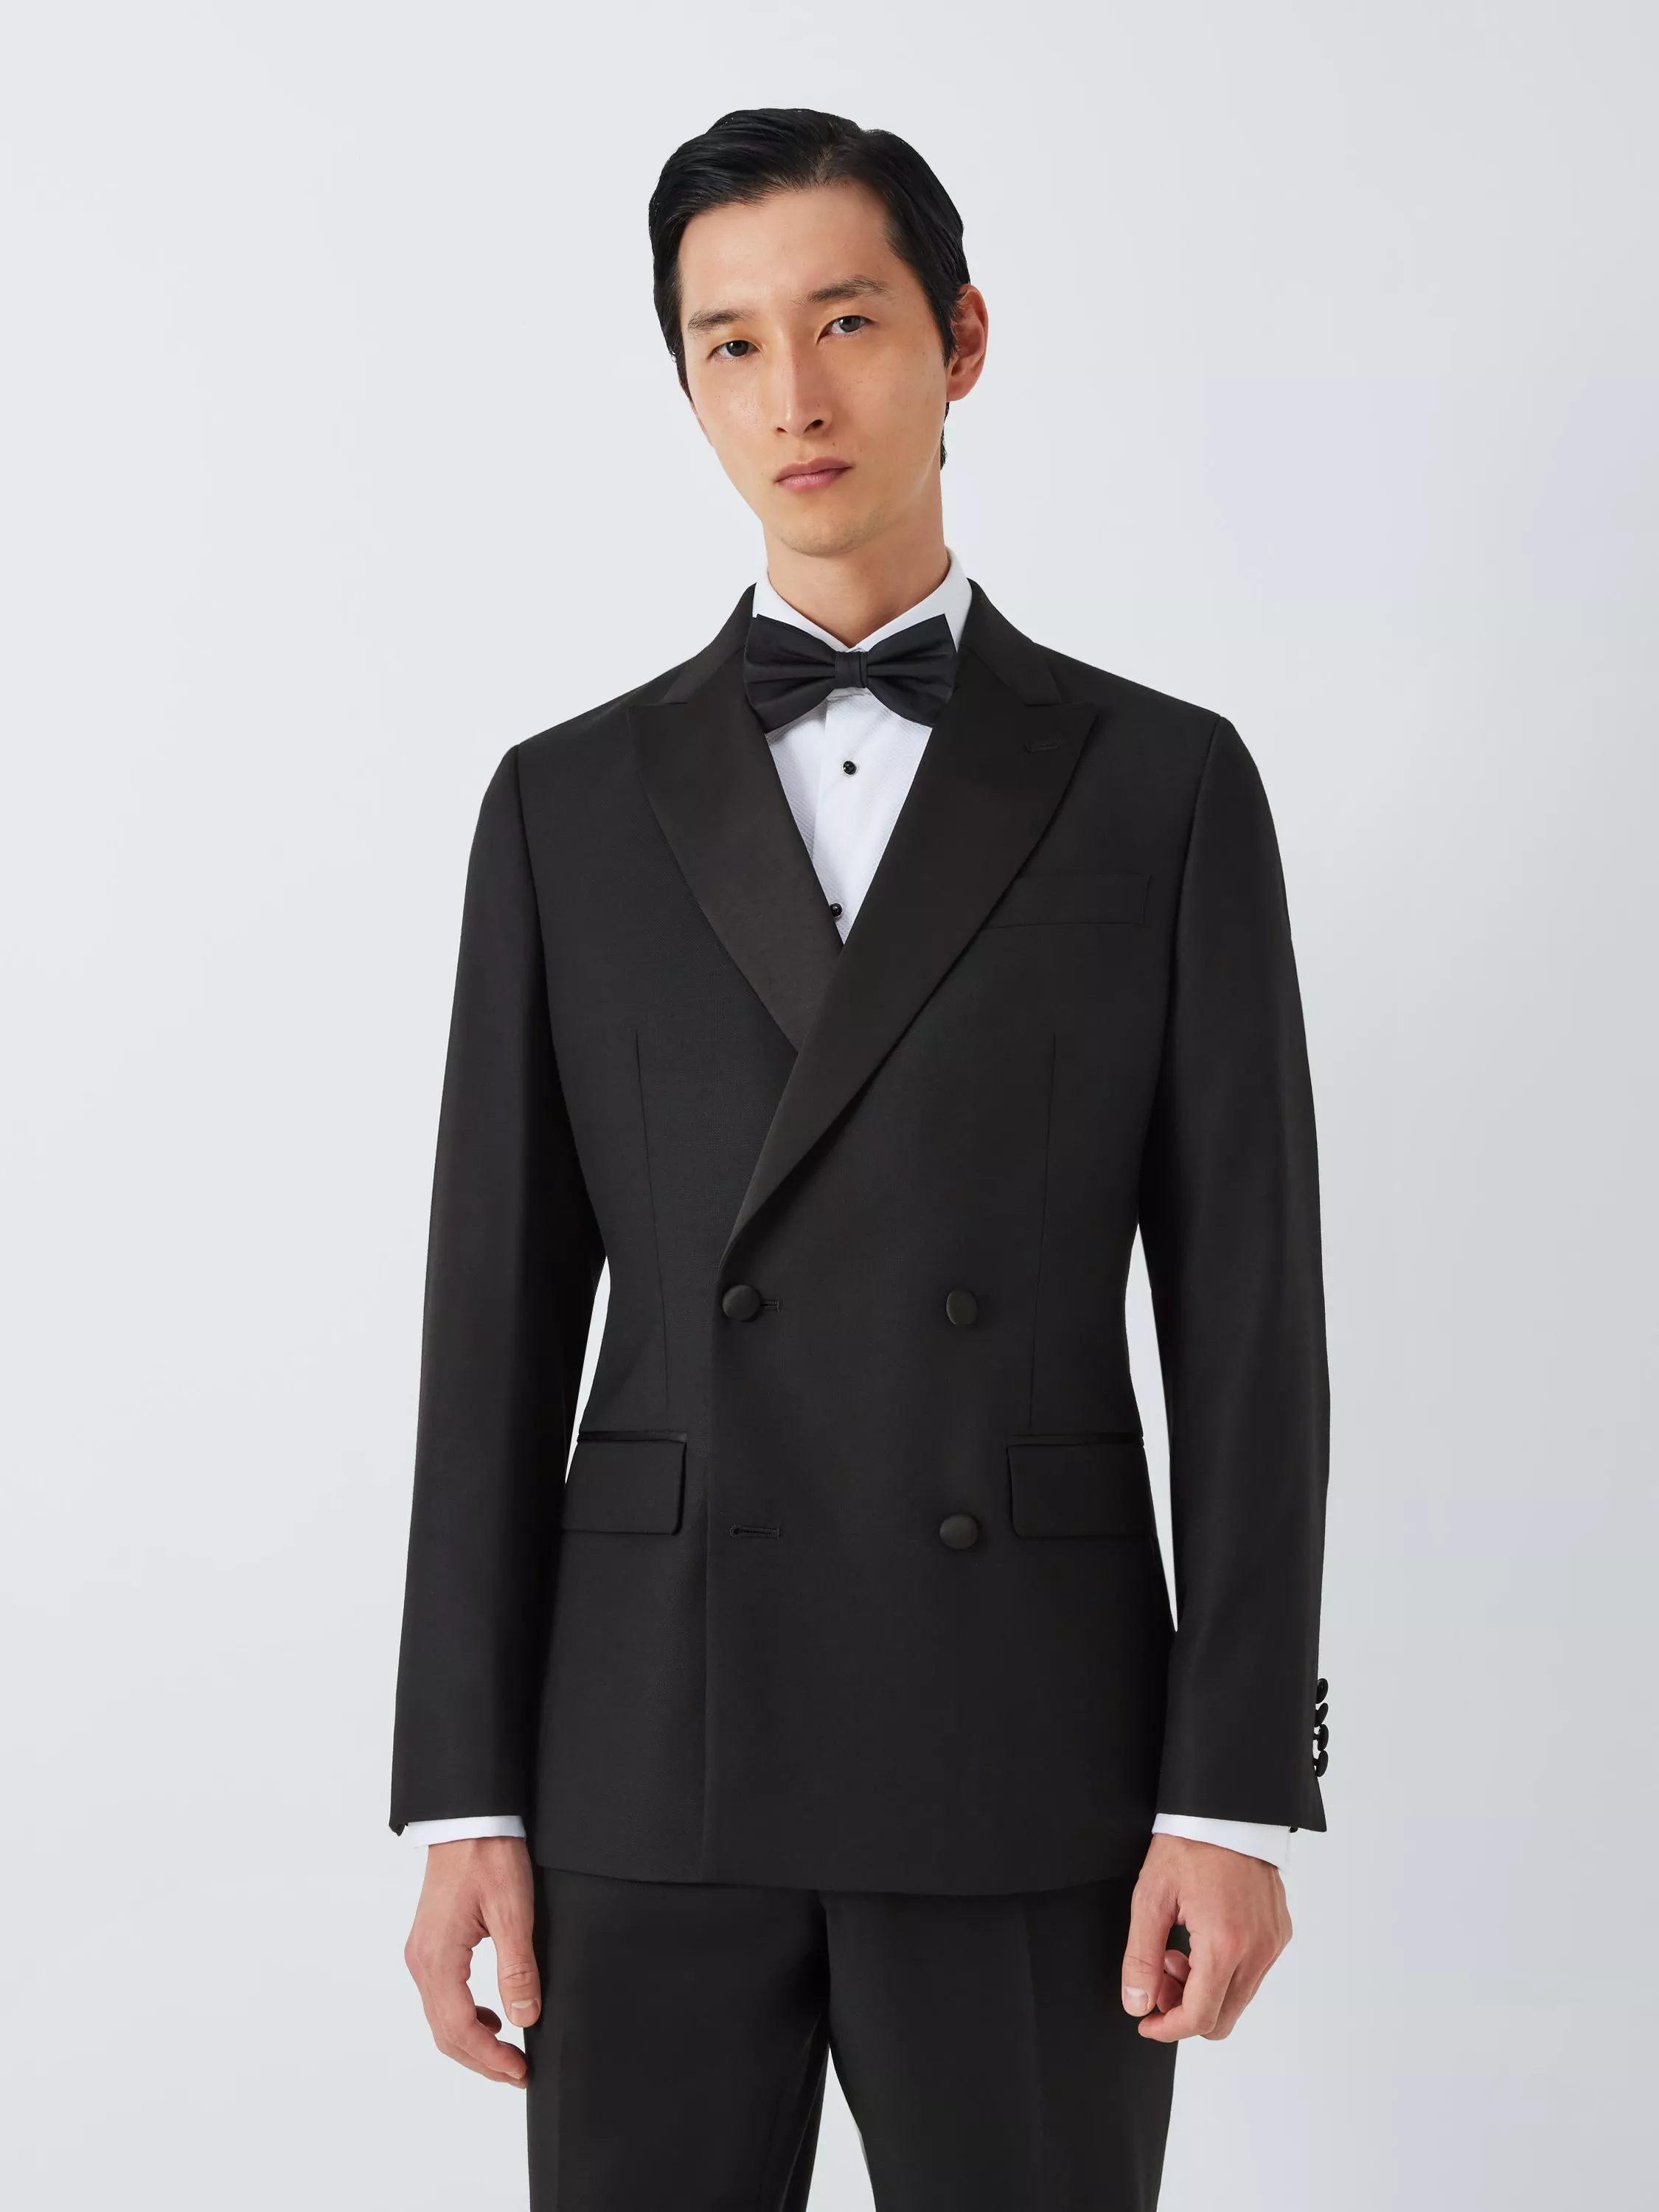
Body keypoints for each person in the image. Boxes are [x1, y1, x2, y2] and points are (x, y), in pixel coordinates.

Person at [389, 105, 1331, 2211]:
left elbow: (1253, 1326)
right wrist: (462, 1794)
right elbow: (493, 1326)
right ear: (685, 382)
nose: (792, 397)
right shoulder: (562, 806)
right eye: (728, 344)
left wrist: (1236, 1792)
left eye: (845, 322)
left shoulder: (1164, 786)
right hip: (649, 1750)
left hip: (1031, 1754)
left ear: (961, 338)